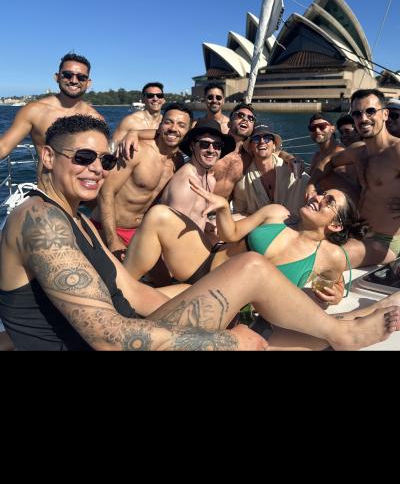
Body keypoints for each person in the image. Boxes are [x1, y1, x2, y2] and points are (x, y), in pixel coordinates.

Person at [0, 115, 398, 351]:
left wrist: (213, 308)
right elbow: (108, 339)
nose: (96, 169)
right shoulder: (40, 220)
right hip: (111, 344)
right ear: (47, 157)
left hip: (124, 330)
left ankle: (343, 328)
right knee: (252, 283)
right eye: (83, 157)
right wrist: (229, 342)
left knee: (250, 276)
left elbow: (134, 292)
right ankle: (343, 333)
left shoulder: (75, 220)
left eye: (104, 160)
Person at [125, 184, 361, 307]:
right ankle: (121, 282)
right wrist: (223, 208)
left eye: (328, 201)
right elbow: (231, 234)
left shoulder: (330, 257)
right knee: (159, 214)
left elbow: (330, 288)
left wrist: (335, 297)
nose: (317, 198)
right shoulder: (277, 213)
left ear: (336, 225)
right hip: (204, 263)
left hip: (222, 300)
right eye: (321, 194)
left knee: (137, 304)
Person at [307, 89, 400, 267]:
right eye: (357, 113)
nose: (363, 118)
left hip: (384, 240)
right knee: (302, 242)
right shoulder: (357, 151)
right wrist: (311, 184)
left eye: (370, 111)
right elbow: (329, 161)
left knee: (323, 257)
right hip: (356, 229)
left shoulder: (396, 151)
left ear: (385, 114)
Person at [90, 104, 191, 261]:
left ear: (188, 132)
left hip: (140, 232)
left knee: (169, 272)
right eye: (168, 122)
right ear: (160, 125)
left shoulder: (178, 162)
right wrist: (112, 239)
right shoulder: (136, 151)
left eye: (181, 125)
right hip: (108, 229)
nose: (173, 128)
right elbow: (106, 191)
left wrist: (135, 132)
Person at [0, 53, 104, 169]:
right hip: (47, 181)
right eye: (68, 75)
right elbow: (3, 147)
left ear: (88, 83)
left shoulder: (96, 118)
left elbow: (102, 159)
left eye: (81, 77)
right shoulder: (34, 111)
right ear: (57, 77)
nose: (74, 80)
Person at [160, 120, 236, 232]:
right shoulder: (186, 184)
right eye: (204, 144)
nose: (211, 150)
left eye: (217, 145)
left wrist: (208, 225)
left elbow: (197, 217)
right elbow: (172, 232)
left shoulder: (210, 179)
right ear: (192, 146)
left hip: (197, 235)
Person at [232, 125, 310, 217]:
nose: (262, 141)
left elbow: (311, 192)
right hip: (262, 225)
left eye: (267, 138)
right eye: (256, 139)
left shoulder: (293, 170)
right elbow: (239, 211)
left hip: (297, 224)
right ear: (251, 147)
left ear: (274, 145)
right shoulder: (243, 182)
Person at [112, 83, 166, 158]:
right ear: (143, 99)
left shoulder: (167, 123)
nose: (155, 99)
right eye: (150, 96)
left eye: (159, 96)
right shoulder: (130, 121)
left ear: (163, 100)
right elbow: (113, 148)